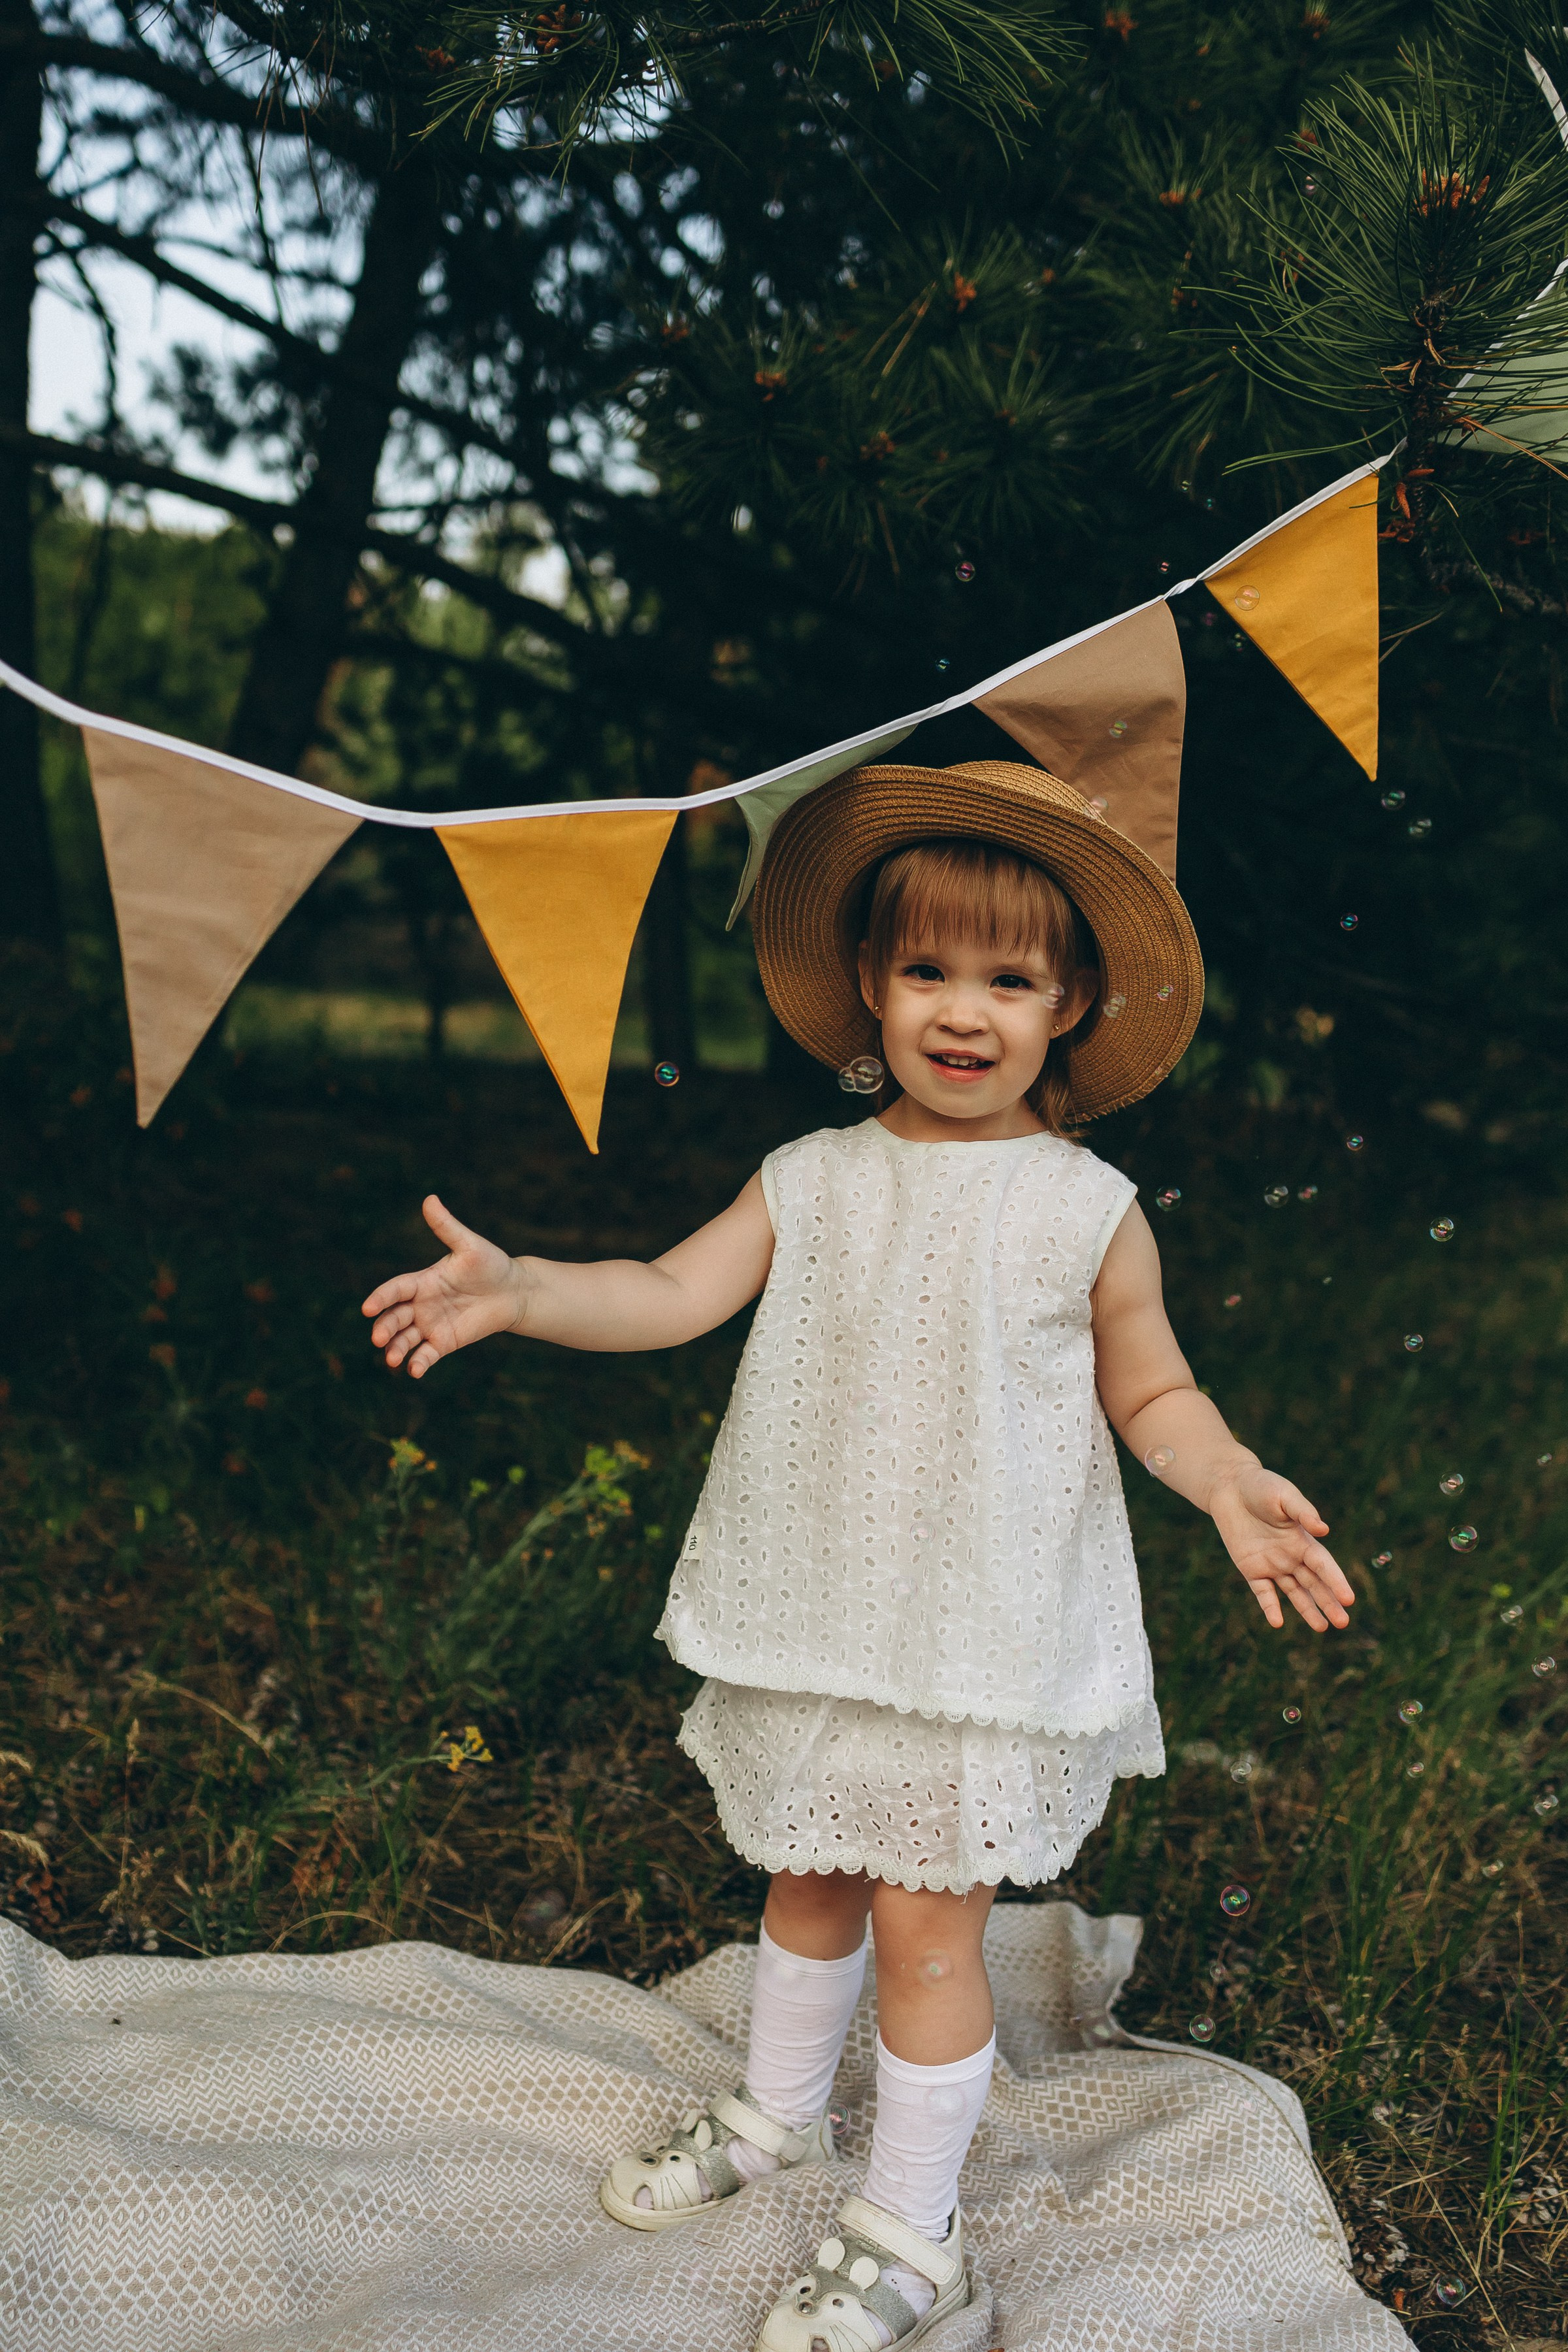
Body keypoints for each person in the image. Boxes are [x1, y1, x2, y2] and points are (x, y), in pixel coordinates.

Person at [363, 759, 1356, 2351]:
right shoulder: (810, 1181)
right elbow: (673, 1292)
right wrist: (533, 1288)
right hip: (823, 1598)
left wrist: (1225, 1477)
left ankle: (916, 2231)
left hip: (977, 1625)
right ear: (872, 992)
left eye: (1010, 979)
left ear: (1071, 1003)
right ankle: (776, 2115)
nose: (964, 1012)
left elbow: (1151, 1387)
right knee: (808, 1877)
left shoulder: (1082, 1207)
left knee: (921, 1923)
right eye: (927, 971)